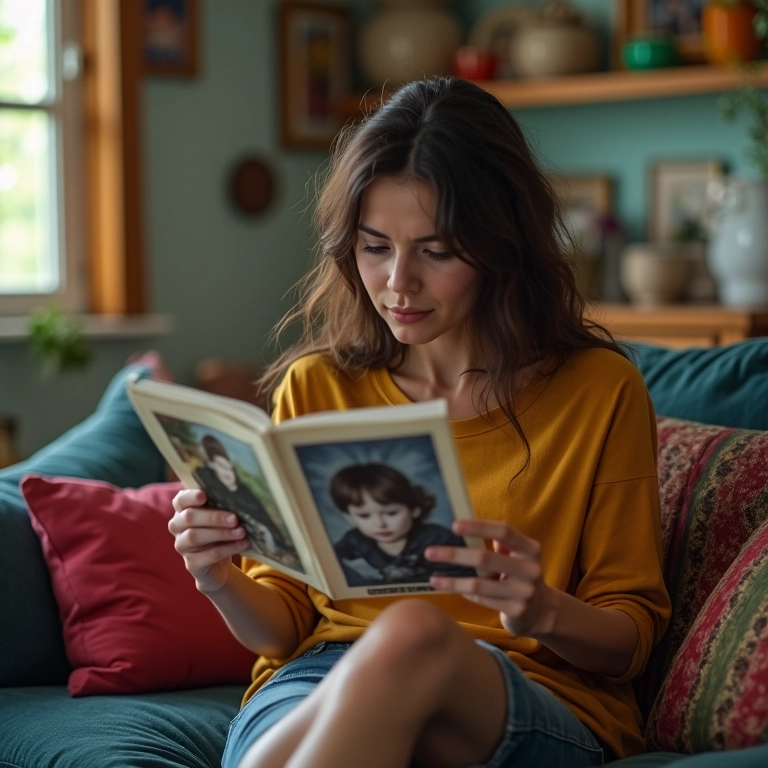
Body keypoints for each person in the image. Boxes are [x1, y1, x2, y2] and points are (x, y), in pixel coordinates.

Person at [169, 76, 670, 768]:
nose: (398, 284)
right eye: (375, 248)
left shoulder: (598, 390)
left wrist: (541, 609)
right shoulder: (319, 386)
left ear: (502, 246)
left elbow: (632, 635)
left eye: (435, 252)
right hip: (318, 678)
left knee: (415, 633)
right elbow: (283, 628)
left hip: (524, 691)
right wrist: (218, 578)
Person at [329, 462, 475, 585]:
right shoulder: (354, 540)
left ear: (414, 510)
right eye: (364, 515)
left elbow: (461, 574)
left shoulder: (437, 538)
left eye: (391, 513)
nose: (379, 524)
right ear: (349, 517)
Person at [193, 434, 298, 567]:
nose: (228, 473)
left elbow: (268, 523)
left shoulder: (246, 494)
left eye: (229, 467)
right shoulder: (210, 485)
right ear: (212, 468)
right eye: (220, 466)